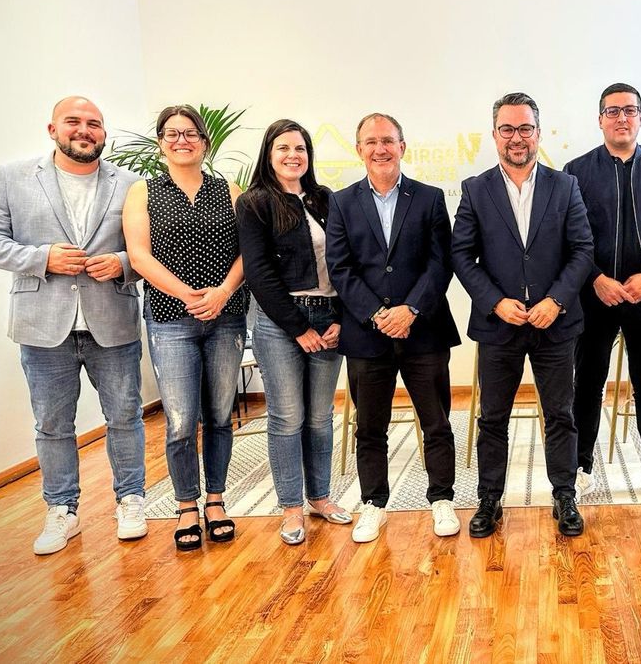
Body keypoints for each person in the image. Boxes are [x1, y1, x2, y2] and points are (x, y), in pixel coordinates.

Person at [0, 96, 147, 555]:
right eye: (74, 122)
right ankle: (62, 510)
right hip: (43, 325)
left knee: (125, 417)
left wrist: (124, 264)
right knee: (52, 424)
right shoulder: (13, 177)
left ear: (103, 134)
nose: (84, 130)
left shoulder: (130, 184)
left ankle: (131, 500)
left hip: (112, 321)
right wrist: (41, 258)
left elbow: (147, 248)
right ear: (53, 129)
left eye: (94, 124)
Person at [452, 92, 594, 538]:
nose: (517, 138)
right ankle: (490, 499)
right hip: (500, 324)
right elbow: (461, 254)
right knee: (493, 417)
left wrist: (557, 300)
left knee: (561, 415)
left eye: (525, 128)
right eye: (508, 129)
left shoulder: (564, 185)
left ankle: (564, 495)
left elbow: (582, 249)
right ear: (494, 134)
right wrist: (494, 301)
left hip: (556, 323)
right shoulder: (475, 189)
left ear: (538, 132)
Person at [326, 113, 461, 543]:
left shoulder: (430, 198)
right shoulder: (342, 202)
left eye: (388, 140)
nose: (380, 148)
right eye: (371, 141)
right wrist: (377, 314)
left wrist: (411, 310)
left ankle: (441, 498)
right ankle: (373, 504)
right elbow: (341, 267)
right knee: (370, 426)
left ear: (402, 146)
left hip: (424, 331)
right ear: (358, 149)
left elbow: (442, 263)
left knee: (436, 421)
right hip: (367, 335)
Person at [123, 105, 249, 552]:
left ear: (204, 142)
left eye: (191, 133)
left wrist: (219, 293)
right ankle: (185, 506)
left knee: (218, 414)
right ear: (161, 142)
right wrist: (188, 295)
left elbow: (247, 252)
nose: (182, 140)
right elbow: (139, 256)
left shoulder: (228, 189)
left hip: (226, 316)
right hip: (170, 319)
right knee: (179, 420)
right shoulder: (143, 192)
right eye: (172, 133)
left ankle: (215, 499)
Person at [563, 83, 641, 508]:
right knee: (588, 384)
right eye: (612, 111)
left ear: (640, 118)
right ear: (600, 120)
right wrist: (595, 278)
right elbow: (568, 238)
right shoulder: (575, 171)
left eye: (629, 110)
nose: (621, 118)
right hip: (593, 296)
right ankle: (581, 469)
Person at [237, 119, 351, 546]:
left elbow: (344, 264)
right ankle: (290, 507)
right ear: (269, 153)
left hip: (330, 317)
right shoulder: (254, 202)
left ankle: (320, 497)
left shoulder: (327, 199)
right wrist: (298, 326)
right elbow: (260, 273)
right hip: (279, 322)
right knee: (288, 418)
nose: (292, 155)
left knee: (320, 417)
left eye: (300, 148)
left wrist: (342, 316)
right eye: (282, 147)